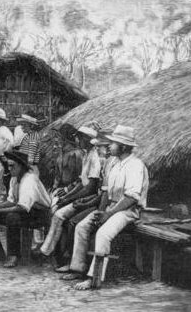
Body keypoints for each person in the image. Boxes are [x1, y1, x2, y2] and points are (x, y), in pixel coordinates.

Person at [61, 125, 148, 290]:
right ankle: (78, 268)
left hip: (128, 210)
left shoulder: (135, 165)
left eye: (114, 143)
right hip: (111, 207)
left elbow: (131, 198)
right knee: (82, 226)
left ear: (123, 146)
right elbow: (106, 193)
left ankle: (94, 278)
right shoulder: (114, 163)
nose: (109, 146)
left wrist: (108, 215)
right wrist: (101, 211)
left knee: (103, 234)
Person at [40, 122, 101, 259]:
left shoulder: (94, 158)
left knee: (59, 214)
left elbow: (90, 187)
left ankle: (55, 252)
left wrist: (68, 198)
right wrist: (67, 196)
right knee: (56, 209)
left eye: (80, 138)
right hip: (83, 195)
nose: (77, 141)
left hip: (90, 198)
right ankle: (50, 250)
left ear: (87, 139)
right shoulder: (87, 155)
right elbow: (81, 182)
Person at [0, 150, 51, 268]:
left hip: (40, 214)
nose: (9, 168)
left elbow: (21, 207)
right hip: (26, 211)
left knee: (12, 217)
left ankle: (14, 255)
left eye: (12, 165)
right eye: (8, 165)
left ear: (21, 166)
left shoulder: (30, 179)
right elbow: (11, 201)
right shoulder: (14, 179)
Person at [51, 124, 84, 192]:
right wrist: (54, 188)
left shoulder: (77, 154)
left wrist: (67, 190)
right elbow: (57, 176)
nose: (56, 140)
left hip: (74, 190)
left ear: (65, 138)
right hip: (61, 189)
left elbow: (81, 178)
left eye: (58, 137)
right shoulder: (60, 155)